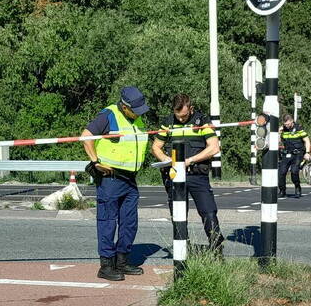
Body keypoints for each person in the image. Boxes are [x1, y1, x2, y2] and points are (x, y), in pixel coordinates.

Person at [81, 87, 150, 281]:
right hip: (110, 178)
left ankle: (122, 260)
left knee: (129, 222)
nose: (139, 112)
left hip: (130, 179)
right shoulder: (108, 115)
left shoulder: (137, 119)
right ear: (124, 106)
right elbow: (86, 136)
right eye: (136, 109)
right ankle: (106, 265)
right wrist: (95, 162)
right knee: (107, 221)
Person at [151, 94, 223, 256]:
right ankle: (183, 248)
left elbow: (214, 148)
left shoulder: (202, 122)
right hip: (174, 175)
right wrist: (166, 159)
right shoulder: (168, 122)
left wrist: (189, 160)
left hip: (196, 174)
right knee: (177, 213)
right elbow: (156, 147)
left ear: (191, 109)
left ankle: (217, 247)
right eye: (178, 116)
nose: (181, 119)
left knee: (208, 211)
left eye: (184, 116)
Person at [278, 114, 311, 198]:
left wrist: (307, 152)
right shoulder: (283, 129)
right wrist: (279, 133)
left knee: (294, 171)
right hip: (287, 153)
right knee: (281, 172)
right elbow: (279, 142)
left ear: (292, 121)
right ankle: (282, 190)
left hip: (298, 153)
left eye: (288, 124)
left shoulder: (299, 128)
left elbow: (307, 141)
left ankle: (297, 187)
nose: (287, 126)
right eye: (285, 124)